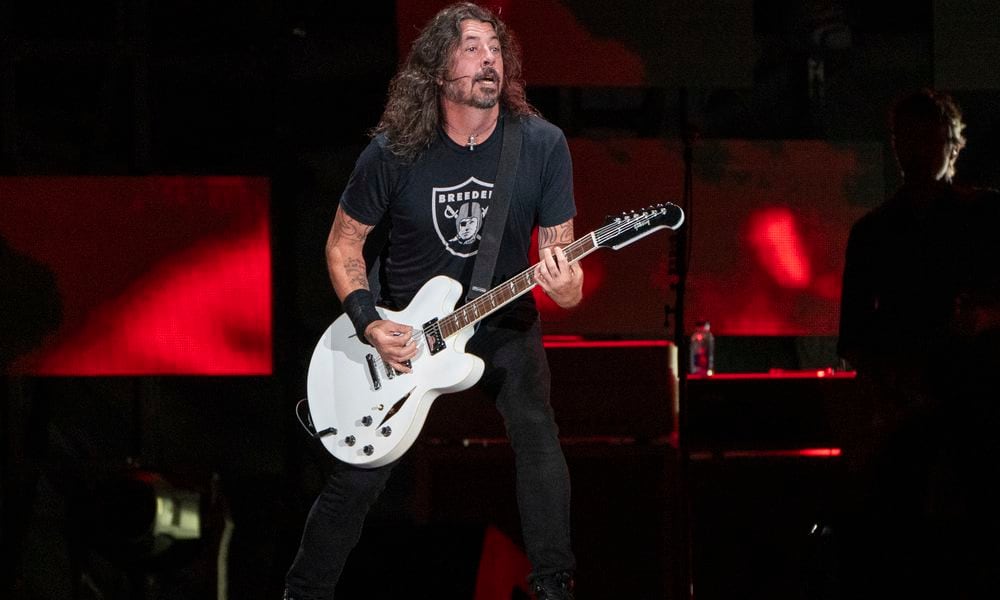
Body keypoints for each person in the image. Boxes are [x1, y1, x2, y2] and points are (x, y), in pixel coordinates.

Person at [284, 4, 583, 599]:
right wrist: (369, 324)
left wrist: (563, 283)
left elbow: (565, 274)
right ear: (439, 69)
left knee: (537, 432)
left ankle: (555, 587)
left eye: (495, 47)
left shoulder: (541, 144)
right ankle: (302, 594)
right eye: (471, 48)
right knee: (358, 475)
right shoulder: (396, 151)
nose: (488, 58)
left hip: (502, 321)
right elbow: (344, 243)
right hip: (404, 330)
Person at [837, 89, 1000, 599]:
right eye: (911, 138)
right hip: (916, 410)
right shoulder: (874, 233)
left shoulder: (984, 218)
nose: (921, 149)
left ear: (952, 144)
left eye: (931, 138)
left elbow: (855, 336)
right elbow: (856, 337)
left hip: (968, 408)